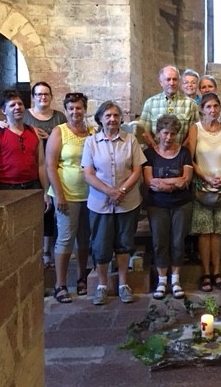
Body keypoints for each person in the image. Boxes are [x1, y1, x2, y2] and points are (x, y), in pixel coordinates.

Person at [82, 101, 146, 305]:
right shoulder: (91, 142)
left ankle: (123, 284)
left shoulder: (130, 140)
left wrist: (122, 191)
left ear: (121, 119)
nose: (112, 119)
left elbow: (137, 170)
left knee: (124, 243)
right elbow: (88, 173)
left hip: (127, 202)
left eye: (116, 116)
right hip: (100, 203)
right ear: (100, 118)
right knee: (101, 245)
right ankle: (102, 285)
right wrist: (109, 191)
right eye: (108, 115)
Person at [0, 81, 66, 268]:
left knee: (47, 210)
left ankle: (45, 251)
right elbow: (10, 128)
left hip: (50, 167)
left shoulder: (59, 116)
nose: (43, 97)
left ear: (51, 96)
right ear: (34, 97)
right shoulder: (24, 118)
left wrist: (51, 137)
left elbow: (65, 135)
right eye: (39, 94)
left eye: (46, 94)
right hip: (28, 169)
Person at [46, 92, 95, 304]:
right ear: (66, 110)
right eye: (71, 108)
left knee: (84, 239)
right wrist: (59, 195)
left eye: (79, 108)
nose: (76, 112)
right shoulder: (60, 132)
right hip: (66, 194)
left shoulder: (93, 132)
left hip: (91, 195)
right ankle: (61, 284)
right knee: (65, 238)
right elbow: (50, 165)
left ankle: (82, 277)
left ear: (85, 110)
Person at [187, 93, 221, 292]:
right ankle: (205, 273)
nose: (213, 110)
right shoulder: (195, 129)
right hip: (202, 187)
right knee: (204, 232)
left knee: (217, 233)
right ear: (202, 109)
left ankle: (217, 272)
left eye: (216, 106)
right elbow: (190, 159)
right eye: (208, 107)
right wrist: (205, 177)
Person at [143, 114, 194, 300]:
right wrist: (175, 183)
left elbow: (186, 180)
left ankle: (176, 279)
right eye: (165, 133)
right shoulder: (149, 154)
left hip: (181, 204)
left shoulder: (184, 152)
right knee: (159, 242)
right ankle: (162, 280)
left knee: (178, 242)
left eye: (172, 133)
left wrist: (164, 184)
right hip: (157, 205)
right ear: (158, 133)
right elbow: (149, 181)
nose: (168, 137)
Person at [0, 89, 50, 210]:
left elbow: (41, 164)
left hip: (33, 186)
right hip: (8, 188)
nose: (17, 107)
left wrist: (46, 191)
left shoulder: (34, 132)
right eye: (12, 105)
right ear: (4, 110)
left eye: (20, 104)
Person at [139, 65, 199, 149]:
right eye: (168, 79)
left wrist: (180, 151)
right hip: (156, 154)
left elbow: (193, 133)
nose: (171, 83)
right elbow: (144, 131)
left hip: (181, 154)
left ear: (179, 81)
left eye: (175, 79)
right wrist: (156, 149)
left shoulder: (191, 104)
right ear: (161, 82)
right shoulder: (150, 103)